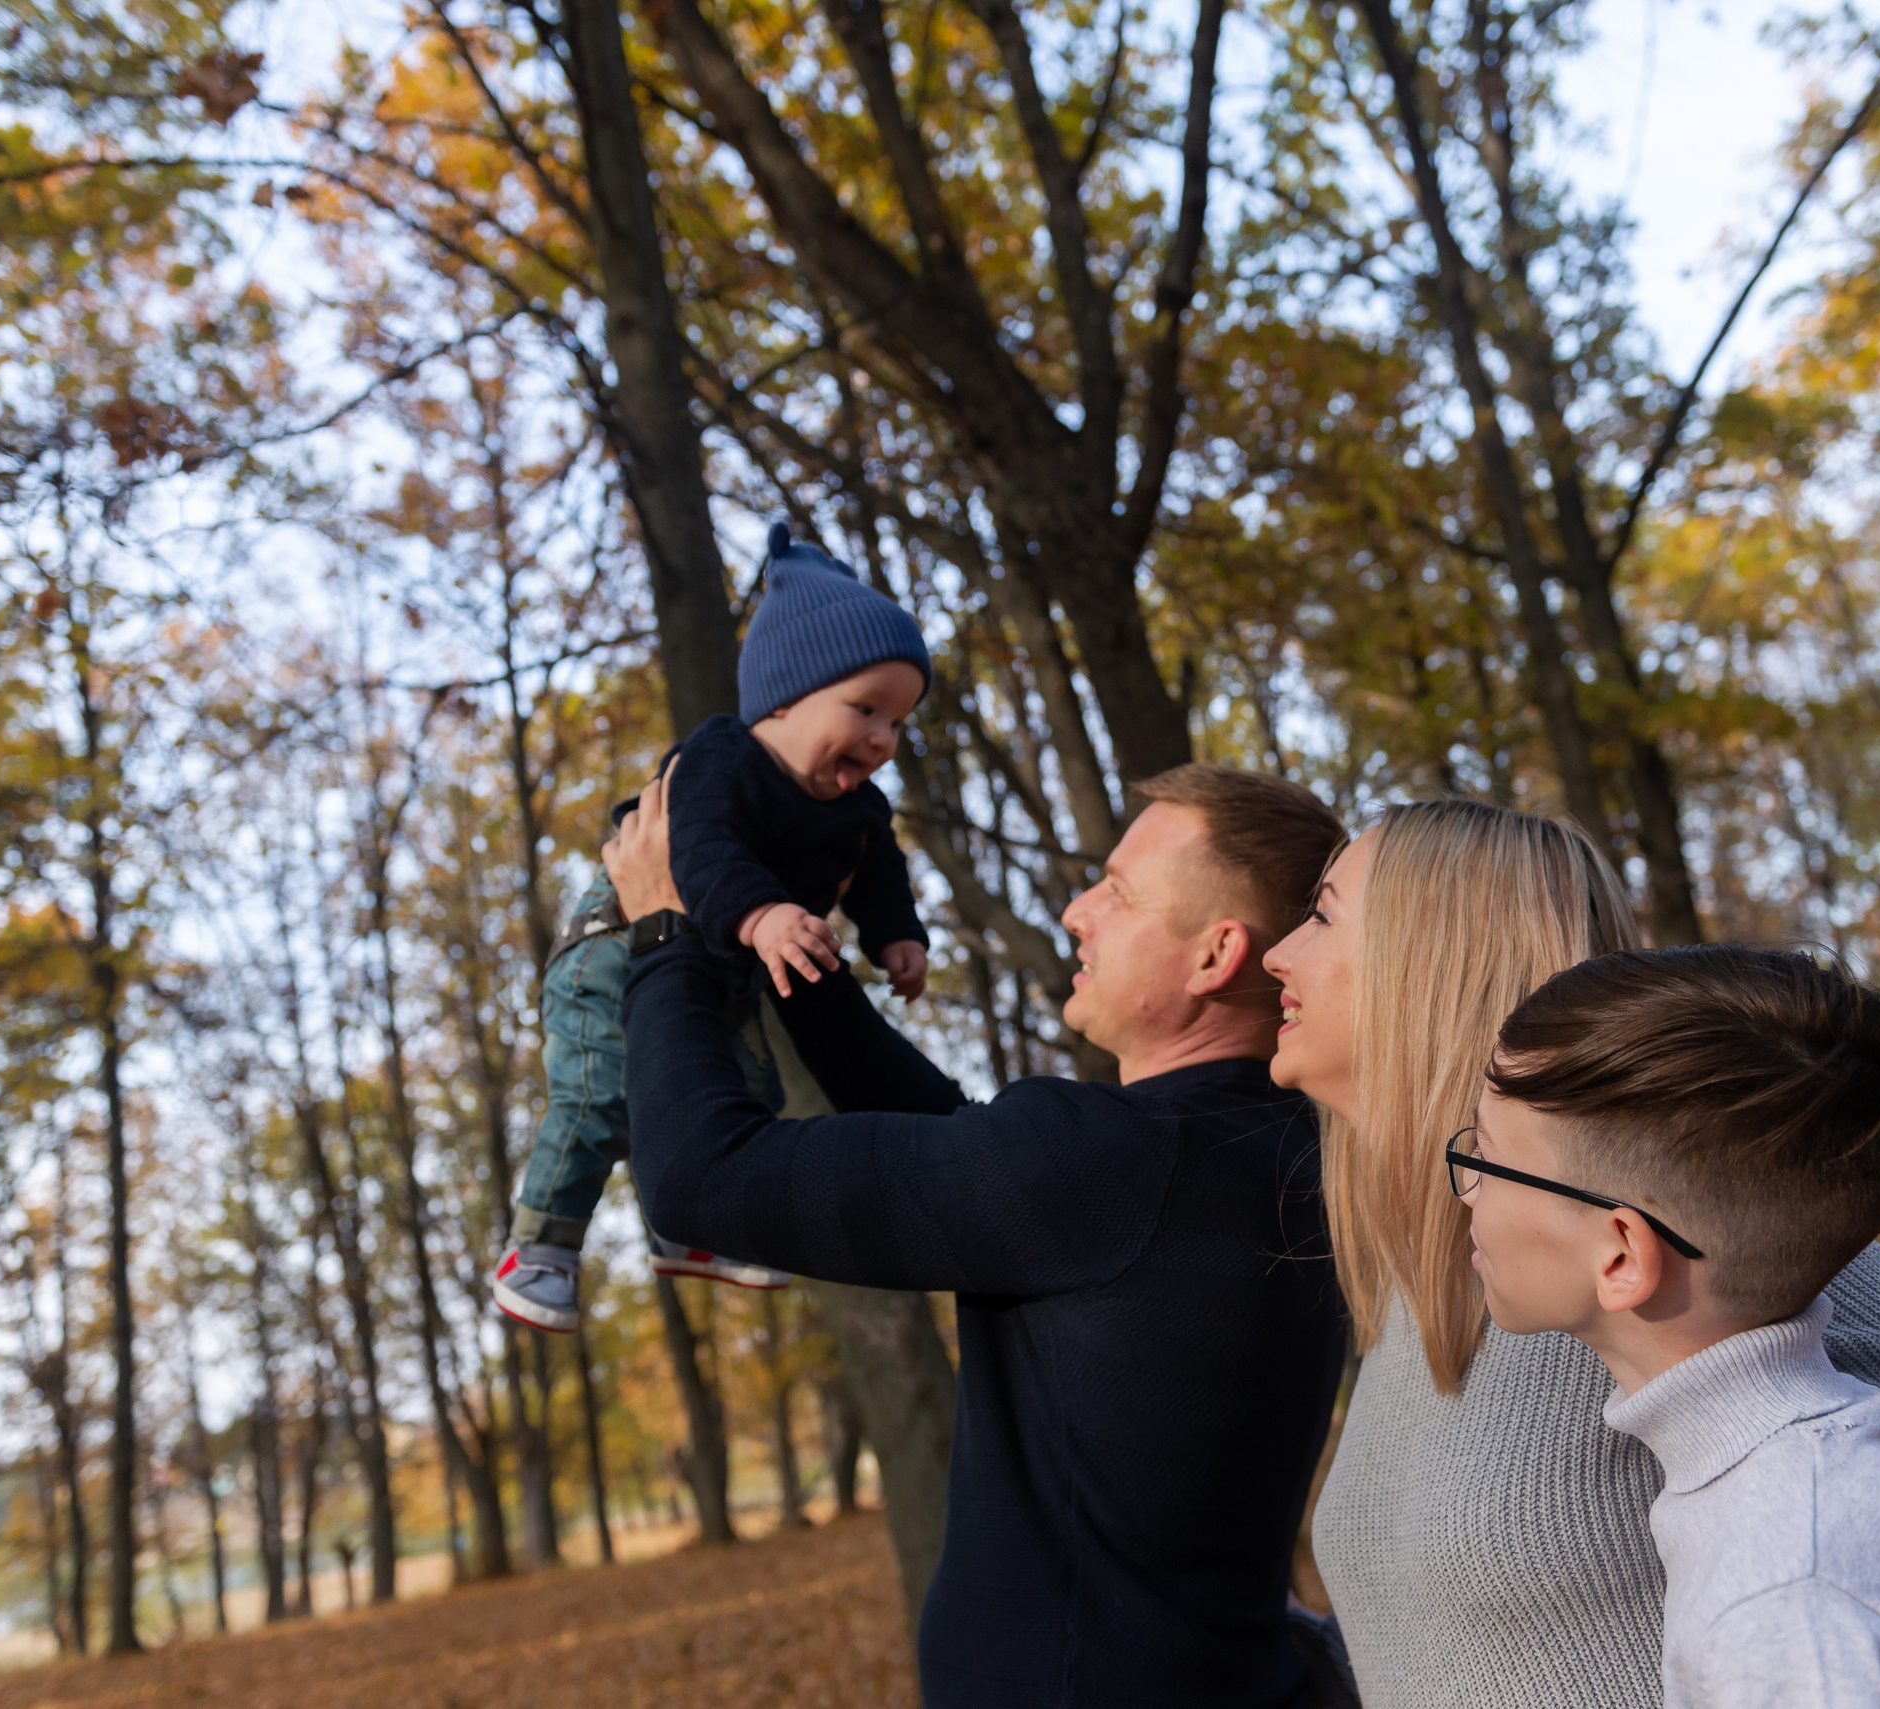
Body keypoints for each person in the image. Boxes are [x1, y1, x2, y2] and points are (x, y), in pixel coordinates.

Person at [1260, 798, 1880, 1709]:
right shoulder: (1447, 1271)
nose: (1278, 952)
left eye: (1323, 915)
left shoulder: (1676, 1239)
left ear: (1429, 963)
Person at [604, 761, 1351, 1709]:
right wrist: (788, 948)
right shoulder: (1288, 1156)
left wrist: (665, 936)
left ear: (1216, 955)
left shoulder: (1106, 1164)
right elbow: (967, 1152)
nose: (1078, 910)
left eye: (1118, 892)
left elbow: (698, 1177)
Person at [1464, 945, 1880, 1707]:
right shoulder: (1815, 1465)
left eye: (1486, 1158)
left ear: (1620, 1255)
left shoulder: (1784, 1596)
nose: (1468, 1192)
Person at [492, 523, 935, 1331]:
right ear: (785, 697)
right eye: (866, 708)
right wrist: (763, 914)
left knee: (747, 1095)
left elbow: (878, 870)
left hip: (718, 973)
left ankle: (692, 1228)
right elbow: (703, 847)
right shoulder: (723, 759)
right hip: (614, 952)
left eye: (899, 722)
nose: (883, 738)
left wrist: (897, 936)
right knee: (598, 1096)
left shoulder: (861, 808)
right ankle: (541, 1247)